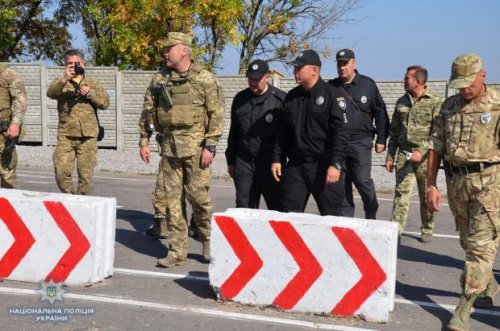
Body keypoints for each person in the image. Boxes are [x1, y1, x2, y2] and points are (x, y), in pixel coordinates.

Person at [427, 54, 499, 331]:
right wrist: (432, 186)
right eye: (459, 84)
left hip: (490, 184)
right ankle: (488, 282)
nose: (464, 89)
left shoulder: (497, 106)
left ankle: (464, 306)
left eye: (468, 83)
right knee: (468, 243)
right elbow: (437, 146)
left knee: (479, 249)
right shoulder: (449, 106)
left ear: (482, 75)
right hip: (457, 184)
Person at [148, 32, 224, 268]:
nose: (164, 53)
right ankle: (177, 251)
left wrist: (210, 145)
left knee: (198, 199)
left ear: (183, 51)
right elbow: (148, 110)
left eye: (168, 48)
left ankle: (207, 239)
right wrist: (144, 139)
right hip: (170, 148)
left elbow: (217, 114)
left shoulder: (205, 79)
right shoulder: (160, 79)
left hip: (196, 149)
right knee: (173, 201)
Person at [271, 50, 348, 215]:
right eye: (294, 68)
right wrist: (277, 159)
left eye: (299, 68)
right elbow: (283, 133)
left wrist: (336, 164)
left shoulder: (332, 95)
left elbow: (340, 134)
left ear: (314, 70)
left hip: (324, 166)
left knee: (332, 217)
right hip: (297, 166)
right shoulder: (292, 97)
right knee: (289, 214)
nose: (295, 72)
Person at [328, 49, 390, 219]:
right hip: (338, 144)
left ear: (354, 63)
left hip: (360, 142)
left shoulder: (368, 85)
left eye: (345, 63)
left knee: (362, 180)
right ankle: (347, 221)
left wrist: (382, 138)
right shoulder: (331, 87)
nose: (342, 67)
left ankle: (371, 208)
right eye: (339, 64)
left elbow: (381, 113)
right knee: (342, 185)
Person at [385, 66, 443, 242]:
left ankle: (427, 228)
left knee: (426, 194)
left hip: (426, 157)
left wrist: (422, 150)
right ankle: (397, 231)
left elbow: (438, 133)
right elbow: (394, 131)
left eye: (406, 78)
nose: (404, 81)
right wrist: (390, 156)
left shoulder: (435, 102)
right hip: (404, 154)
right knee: (401, 193)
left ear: (418, 81)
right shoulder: (401, 101)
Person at [47, 49, 110, 195]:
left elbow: (105, 103)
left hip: (88, 136)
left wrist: (89, 94)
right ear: (65, 65)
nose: (73, 66)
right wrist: (64, 79)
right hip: (66, 135)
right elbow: (51, 93)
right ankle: (70, 199)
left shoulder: (92, 83)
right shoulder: (61, 82)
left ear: (83, 64)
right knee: (61, 171)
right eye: (69, 64)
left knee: (85, 176)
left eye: (76, 63)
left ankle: (83, 203)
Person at [225, 59, 286, 210]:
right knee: (244, 207)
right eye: (250, 79)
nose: (253, 83)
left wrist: (279, 160)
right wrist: (231, 161)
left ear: (267, 77)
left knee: (277, 208)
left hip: (270, 163)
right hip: (244, 162)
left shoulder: (280, 100)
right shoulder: (240, 99)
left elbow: (285, 136)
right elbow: (234, 132)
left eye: (257, 79)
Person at [0, 64, 27, 188]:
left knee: (7, 175)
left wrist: (15, 123)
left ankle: (6, 206)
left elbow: (20, 99)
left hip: (3, 135)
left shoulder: (8, 74)